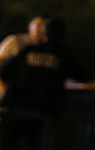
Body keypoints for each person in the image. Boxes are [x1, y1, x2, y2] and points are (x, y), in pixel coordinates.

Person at [0, 17, 85, 150]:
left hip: (14, 109)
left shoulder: (27, 51)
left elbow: (5, 72)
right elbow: (82, 76)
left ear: (44, 33)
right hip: (43, 112)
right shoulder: (64, 54)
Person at [0, 16, 47, 100]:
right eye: (38, 25)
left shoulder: (48, 48)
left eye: (43, 25)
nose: (40, 28)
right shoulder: (16, 42)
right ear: (30, 26)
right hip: (9, 93)